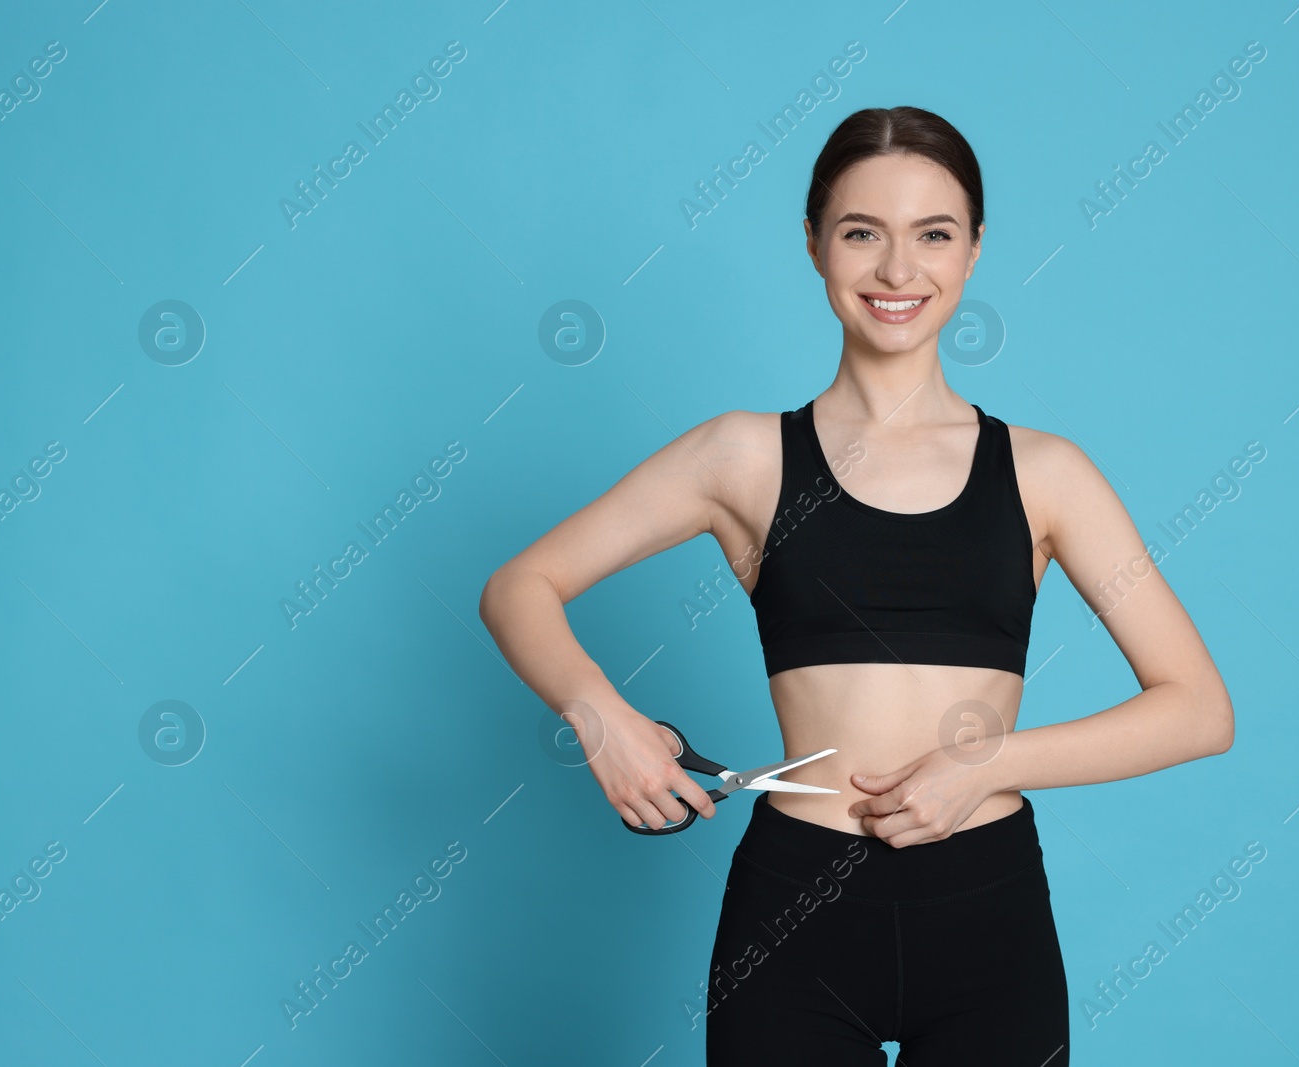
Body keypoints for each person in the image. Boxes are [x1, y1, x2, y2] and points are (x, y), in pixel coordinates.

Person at [478, 105, 1234, 1065]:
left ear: (974, 251)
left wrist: (987, 763)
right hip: (794, 911)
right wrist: (600, 719)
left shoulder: (1046, 474)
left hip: (987, 912)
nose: (896, 270)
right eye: (861, 232)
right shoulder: (742, 457)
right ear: (813, 243)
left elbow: (1199, 709)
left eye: (933, 235)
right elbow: (519, 585)